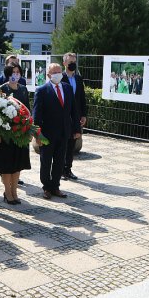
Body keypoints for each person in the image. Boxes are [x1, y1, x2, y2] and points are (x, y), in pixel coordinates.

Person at [33, 63, 81, 200]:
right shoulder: (42, 90)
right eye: (54, 72)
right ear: (48, 75)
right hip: (47, 134)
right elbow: (37, 115)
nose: (58, 74)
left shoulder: (67, 88)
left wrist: (76, 129)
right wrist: (37, 134)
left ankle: (55, 186)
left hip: (64, 132)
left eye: (59, 71)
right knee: (46, 161)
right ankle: (46, 187)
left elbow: (74, 111)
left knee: (60, 161)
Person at [0, 62, 31, 204]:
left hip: (20, 134)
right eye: (13, 72)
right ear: (8, 74)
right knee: (7, 165)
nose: (16, 74)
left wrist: (29, 130)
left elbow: (28, 111)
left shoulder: (24, 89)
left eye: (18, 72)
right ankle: (7, 192)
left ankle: (14, 191)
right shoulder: (2, 89)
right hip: (6, 134)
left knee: (17, 165)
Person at [61, 53, 87, 181]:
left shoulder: (78, 79)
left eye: (74, 61)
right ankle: (60, 169)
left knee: (72, 143)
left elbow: (82, 98)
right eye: (70, 61)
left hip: (75, 116)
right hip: (63, 116)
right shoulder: (60, 78)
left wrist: (83, 114)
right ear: (64, 63)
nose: (73, 64)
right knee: (62, 143)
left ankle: (68, 169)